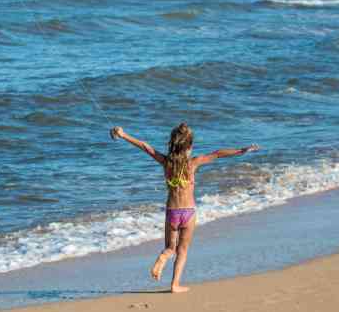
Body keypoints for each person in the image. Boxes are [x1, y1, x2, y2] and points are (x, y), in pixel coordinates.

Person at [110, 123, 259, 293]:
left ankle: (163, 256)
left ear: (172, 144)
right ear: (189, 146)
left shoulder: (166, 162)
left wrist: (124, 135)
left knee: (170, 248)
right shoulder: (193, 163)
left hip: (172, 212)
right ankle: (175, 284)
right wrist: (242, 150)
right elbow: (217, 154)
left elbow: (146, 147)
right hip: (188, 212)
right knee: (183, 250)